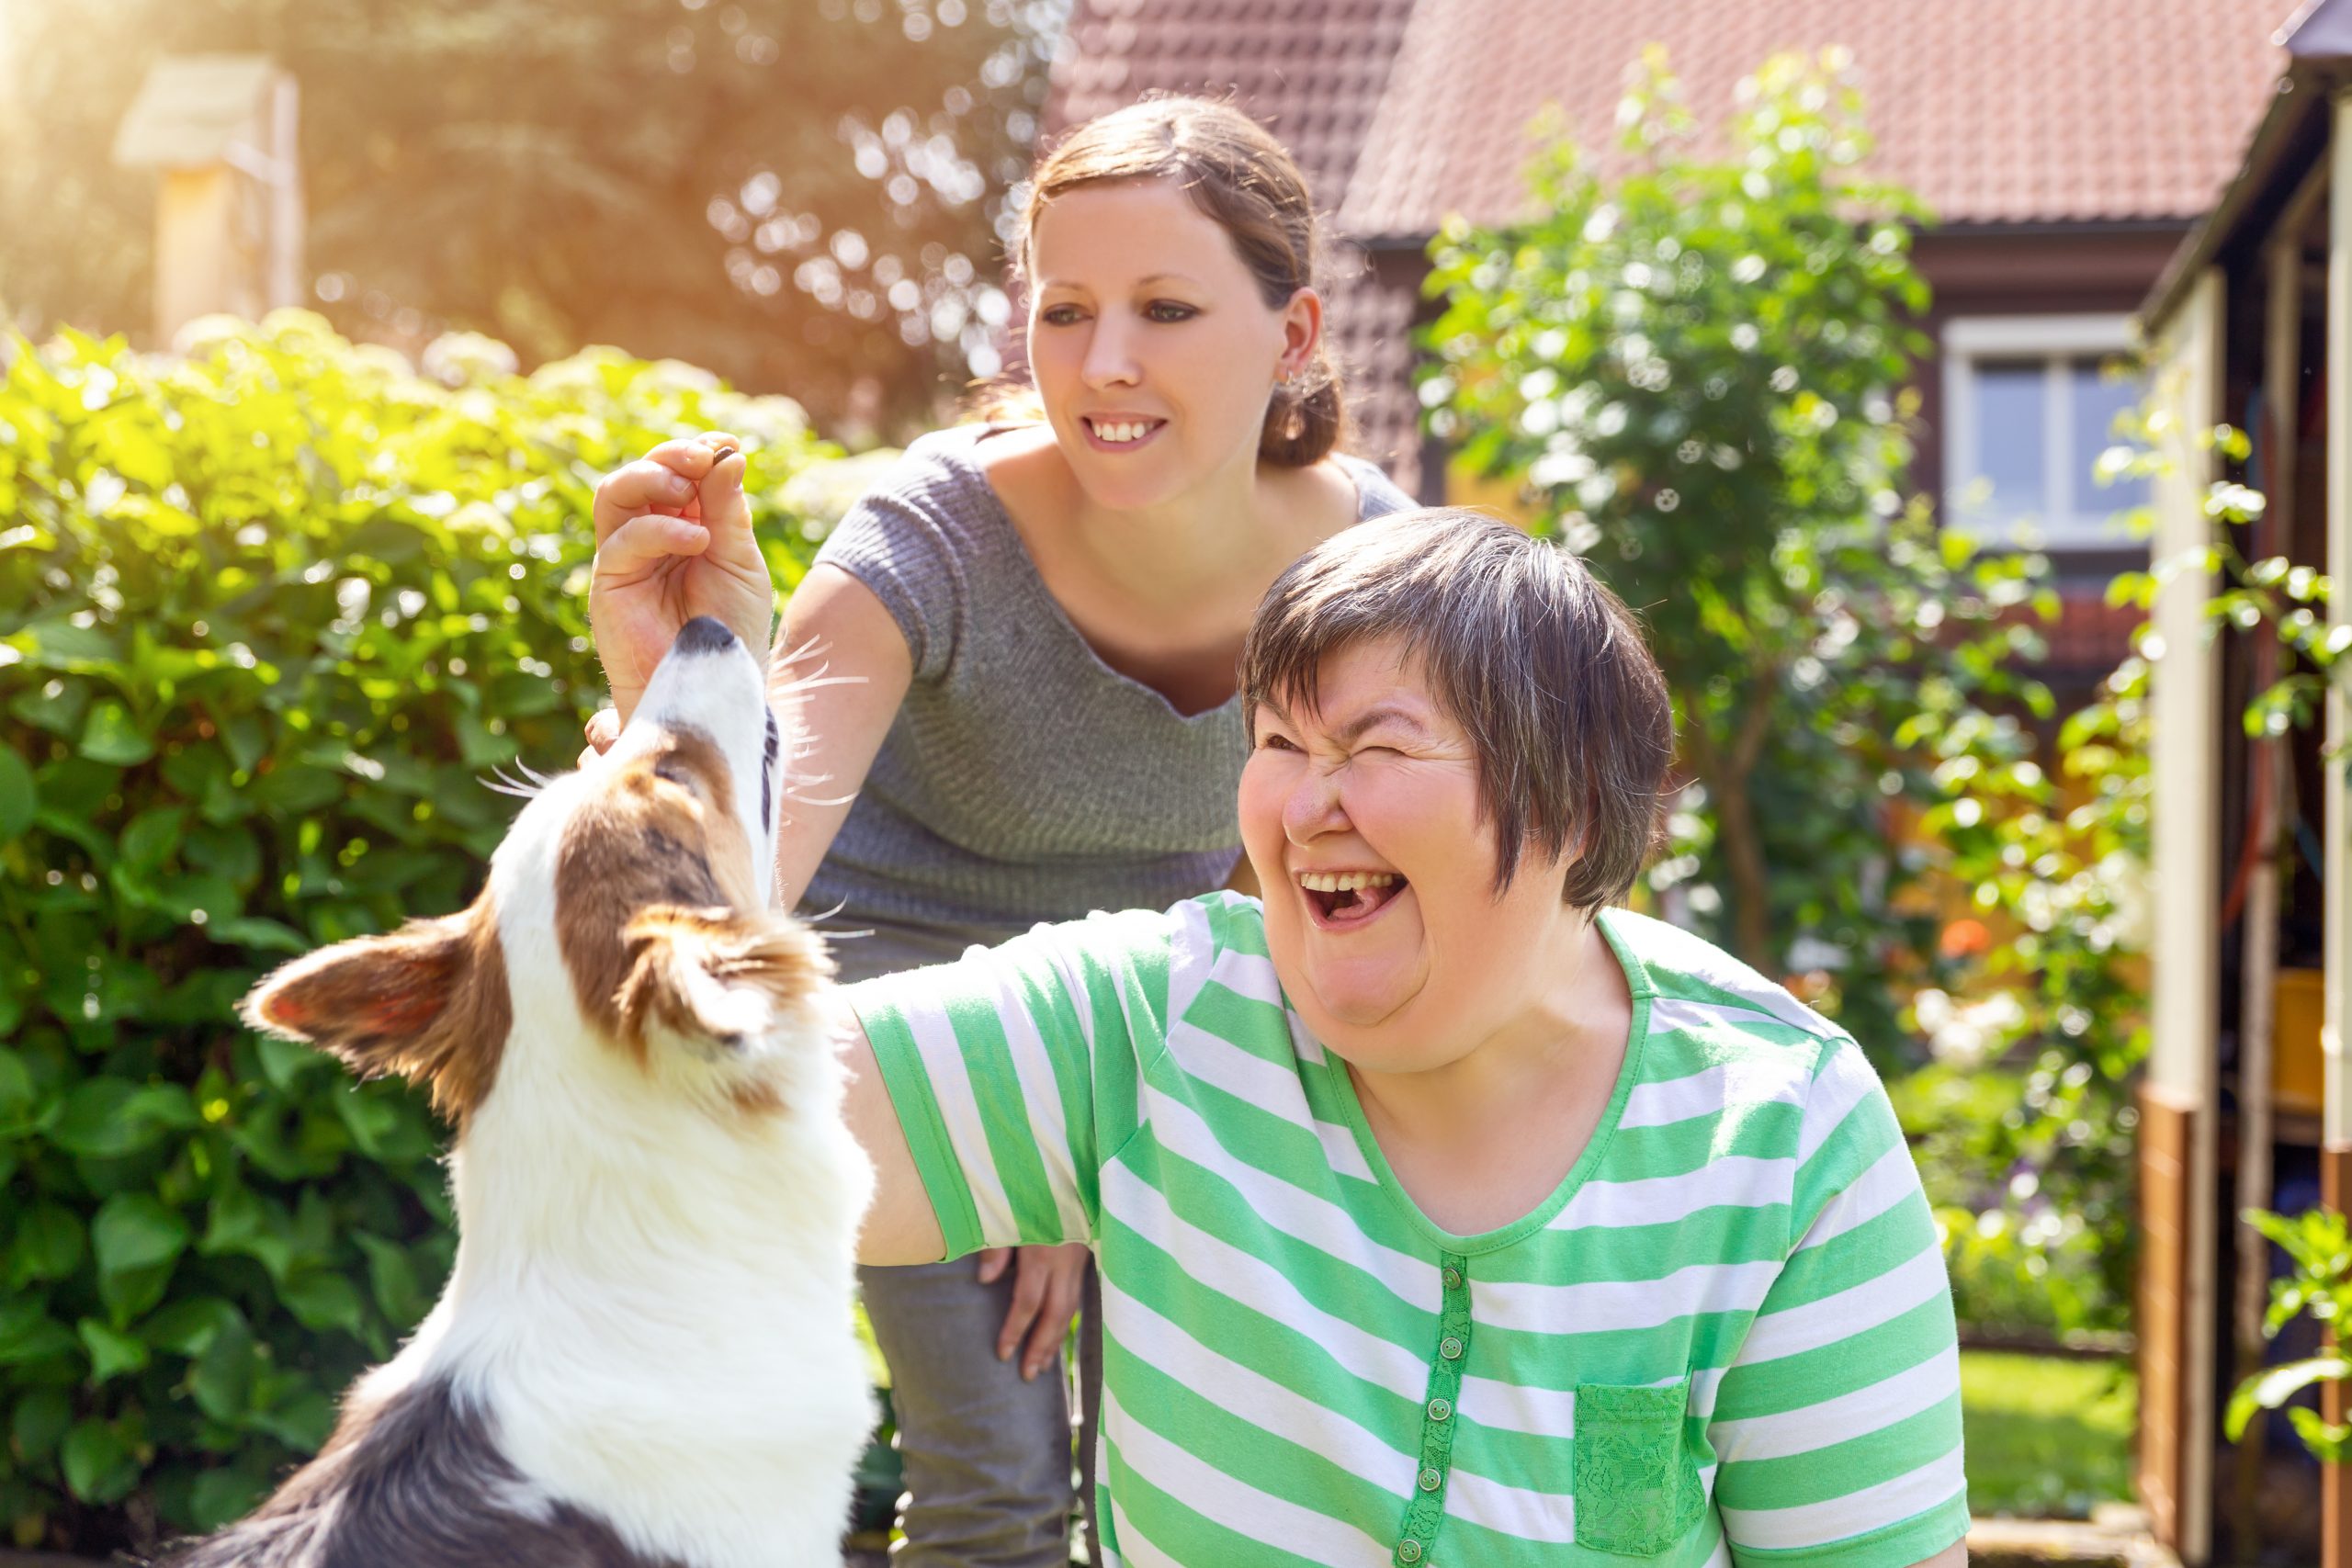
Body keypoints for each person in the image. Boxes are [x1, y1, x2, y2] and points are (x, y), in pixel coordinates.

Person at [584, 96, 1412, 1567]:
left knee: (1223, 1489)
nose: (1104, 364)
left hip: (1172, 996)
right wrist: (673, 704)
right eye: (1066, 309)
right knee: (1007, 1486)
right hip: (894, 988)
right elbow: (759, 844)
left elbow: (1319, 865)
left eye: (1167, 308)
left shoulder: (1366, 566)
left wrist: (1114, 1120)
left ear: (1292, 337)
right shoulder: (934, 532)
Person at [841, 509, 1972, 1568]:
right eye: (1280, 742)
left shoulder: (1782, 1133)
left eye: (1377, 747)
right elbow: (723, 1118)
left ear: (1573, 802)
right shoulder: (1157, 1022)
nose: (1301, 808)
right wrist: (679, 713)